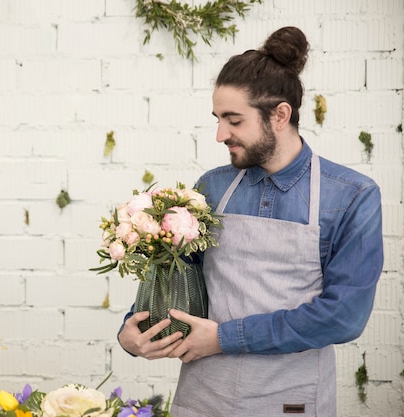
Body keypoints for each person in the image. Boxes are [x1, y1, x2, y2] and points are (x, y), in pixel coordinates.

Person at [117, 26, 384, 417]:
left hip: (289, 400)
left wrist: (223, 338)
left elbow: (344, 317)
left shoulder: (351, 197)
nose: (220, 134)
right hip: (202, 396)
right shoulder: (210, 188)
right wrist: (133, 331)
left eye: (233, 120)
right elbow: (174, 280)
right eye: (217, 118)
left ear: (279, 115)